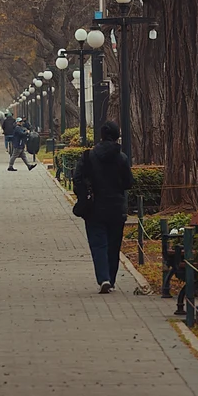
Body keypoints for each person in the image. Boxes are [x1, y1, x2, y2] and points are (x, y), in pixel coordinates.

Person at [72, 121, 135, 291]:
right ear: (116, 137)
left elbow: (77, 178)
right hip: (116, 207)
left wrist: (83, 193)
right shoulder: (121, 158)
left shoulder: (88, 156)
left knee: (98, 243)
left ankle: (103, 278)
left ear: (101, 136)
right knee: (114, 245)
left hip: (94, 207)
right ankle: (111, 280)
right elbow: (129, 182)